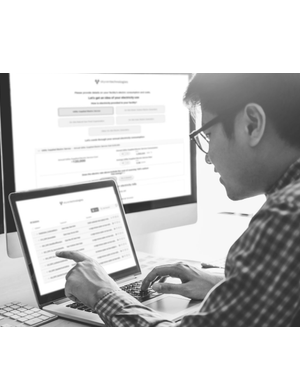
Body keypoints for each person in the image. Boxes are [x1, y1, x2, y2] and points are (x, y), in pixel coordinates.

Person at [57, 73, 300, 327]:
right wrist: (226, 286)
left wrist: (101, 293)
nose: (208, 157)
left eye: (208, 135)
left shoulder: (285, 216)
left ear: (252, 124)